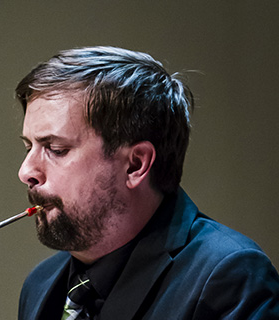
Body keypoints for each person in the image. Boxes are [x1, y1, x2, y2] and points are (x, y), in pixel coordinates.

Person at [14, 46, 279, 320]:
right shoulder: (40, 283)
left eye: (56, 149)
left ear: (136, 164)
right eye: (28, 147)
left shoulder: (228, 277)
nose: (26, 172)